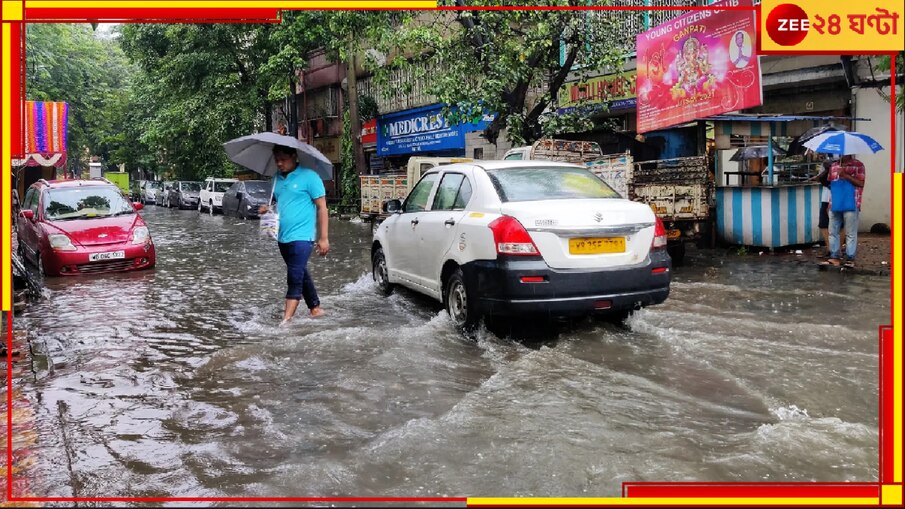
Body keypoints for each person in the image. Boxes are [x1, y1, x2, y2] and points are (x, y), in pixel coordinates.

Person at [259, 144, 330, 325]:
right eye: (277, 160)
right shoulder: (276, 179)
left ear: (294, 157)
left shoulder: (310, 177)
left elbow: (322, 207)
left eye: (283, 159)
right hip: (282, 237)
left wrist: (324, 238)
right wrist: (267, 209)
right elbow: (279, 203)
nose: (279, 163)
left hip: (303, 237)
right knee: (300, 272)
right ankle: (315, 308)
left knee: (294, 277)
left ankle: (286, 321)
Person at [824, 155, 865, 268]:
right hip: (835, 203)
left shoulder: (858, 165)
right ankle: (834, 256)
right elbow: (831, 186)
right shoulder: (834, 166)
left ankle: (850, 257)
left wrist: (846, 176)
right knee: (833, 231)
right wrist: (829, 203)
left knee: (850, 233)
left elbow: (861, 183)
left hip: (851, 202)